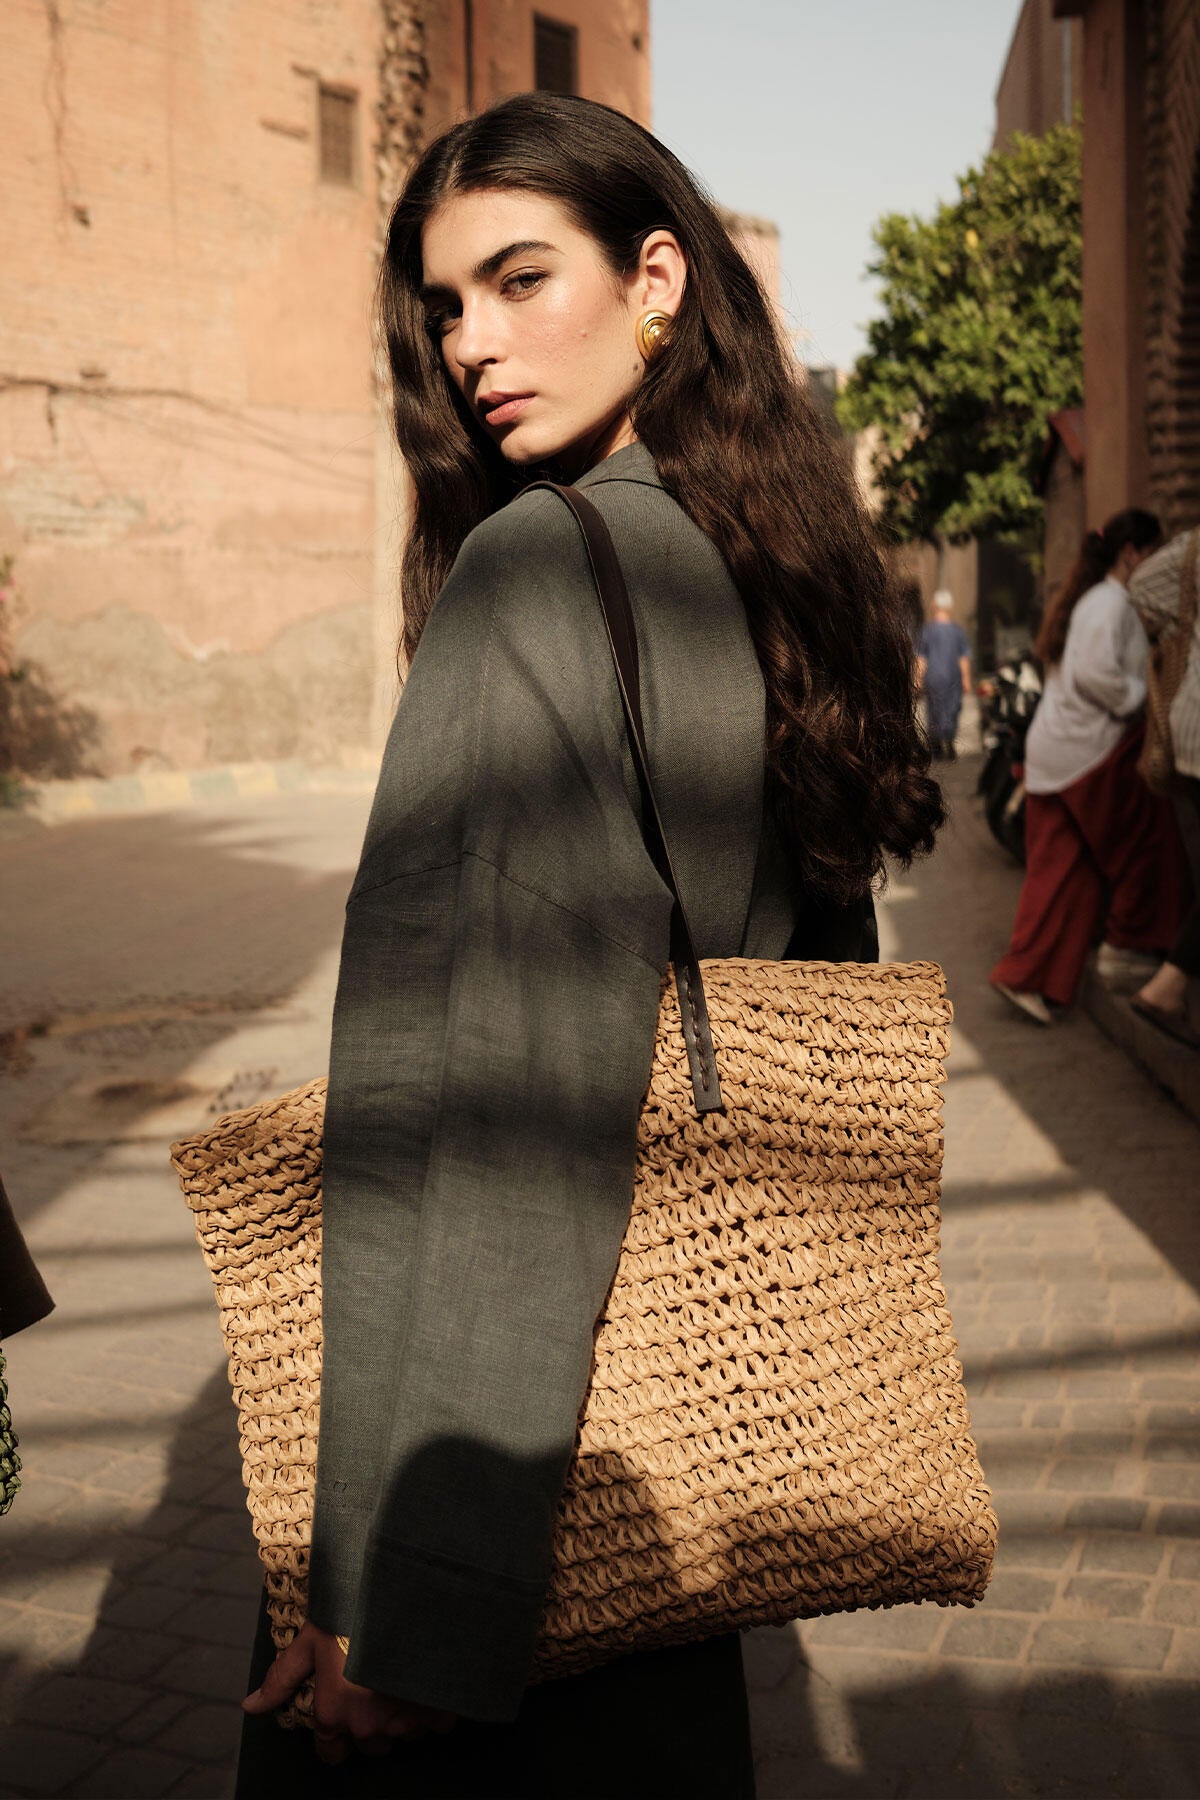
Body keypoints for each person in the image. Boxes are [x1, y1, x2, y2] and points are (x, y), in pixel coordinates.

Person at [235, 92, 943, 1797]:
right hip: (684, 1454)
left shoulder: (539, 574)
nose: (471, 344)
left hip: (503, 1504)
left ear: (657, 281)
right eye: (444, 306)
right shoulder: (772, 570)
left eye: (519, 278)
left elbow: (506, 1123)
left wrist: (408, 1600)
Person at [991, 509, 1187, 1025]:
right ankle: (1127, 953)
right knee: (1146, 848)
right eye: (1153, 552)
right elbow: (1097, 674)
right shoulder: (1110, 602)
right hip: (1088, 752)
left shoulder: (1094, 600)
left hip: (1058, 753)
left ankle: (1028, 977)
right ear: (1131, 553)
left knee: (1063, 872)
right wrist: (1142, 699)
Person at [1128, 527, 1200, 1049]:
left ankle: (1174, 992)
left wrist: (1184, 625)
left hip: (1190, 725)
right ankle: (1167, 988)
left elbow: (1142, 585)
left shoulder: (1194, 547)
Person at [916, 590, 971, 758]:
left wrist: (917, 678)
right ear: (950, 607)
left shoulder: (927, 630)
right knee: (952, 708)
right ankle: (949, 740)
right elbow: (963, 658)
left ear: (934, 606)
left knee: (934, 709)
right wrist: (966, 679)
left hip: (933, 677)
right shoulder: (958, 631)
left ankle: (937, 745)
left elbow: (921, 658)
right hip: (953, 677)